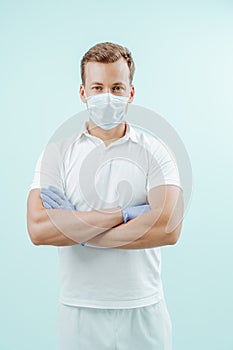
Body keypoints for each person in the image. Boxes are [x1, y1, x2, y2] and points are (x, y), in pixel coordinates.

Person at [27, 41, 184, 350]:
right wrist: (124, 214)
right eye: (97, 87)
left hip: (143, 308)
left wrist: (75, 229)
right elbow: (38, 229)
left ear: (131, 93)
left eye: (116, 88)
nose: (107, 97)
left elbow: (169, 228)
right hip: (78, 310)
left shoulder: (156, 152)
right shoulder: (57, 154)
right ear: (83, 93)